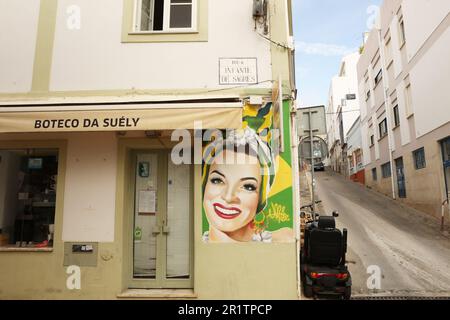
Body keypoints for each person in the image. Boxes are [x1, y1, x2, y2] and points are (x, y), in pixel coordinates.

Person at [202, 128, 293, 243]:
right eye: (217, 180)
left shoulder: (282, 239)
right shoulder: (189, 243)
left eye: (248, 187)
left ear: (261, 197)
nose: (228, 197)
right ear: (205, 184)